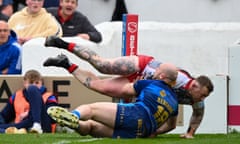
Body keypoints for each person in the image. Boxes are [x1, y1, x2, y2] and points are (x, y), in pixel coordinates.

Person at [44, 36, 214, 138]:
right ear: (195, 86)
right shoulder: (179, 79)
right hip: (142, 67)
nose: (202, 99)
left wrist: (190, 133)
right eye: (202, 95)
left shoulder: (195, 97)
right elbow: (164, 74)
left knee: (98, 86)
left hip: (144, 87)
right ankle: (64, 44)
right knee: (102, 65)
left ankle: (66, 64)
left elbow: (198, 114)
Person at [45, 59, 179, 138]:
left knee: (91, 109)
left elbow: (125, 90)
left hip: (134, 114)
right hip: (142, 131)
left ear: (162, 76)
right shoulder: (174, 101)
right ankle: (76, 124)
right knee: (92, 127)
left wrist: (136, 84)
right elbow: (171, 125)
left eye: (157, 71)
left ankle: (74, 116)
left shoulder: (150, 83)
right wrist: (155, 132)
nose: (153, 72)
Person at [0, 69, 58, 134]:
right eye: (31, 83)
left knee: (32, 89)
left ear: (41, 83)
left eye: (37, 83)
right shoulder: (17, 96)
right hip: (22, 125)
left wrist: (28, 113)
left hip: (43, 126)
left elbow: (52, 114)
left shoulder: (48, 96)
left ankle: (36, 125)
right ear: (24, 83)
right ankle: (13, 132)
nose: (34, 85)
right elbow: (4, 115)